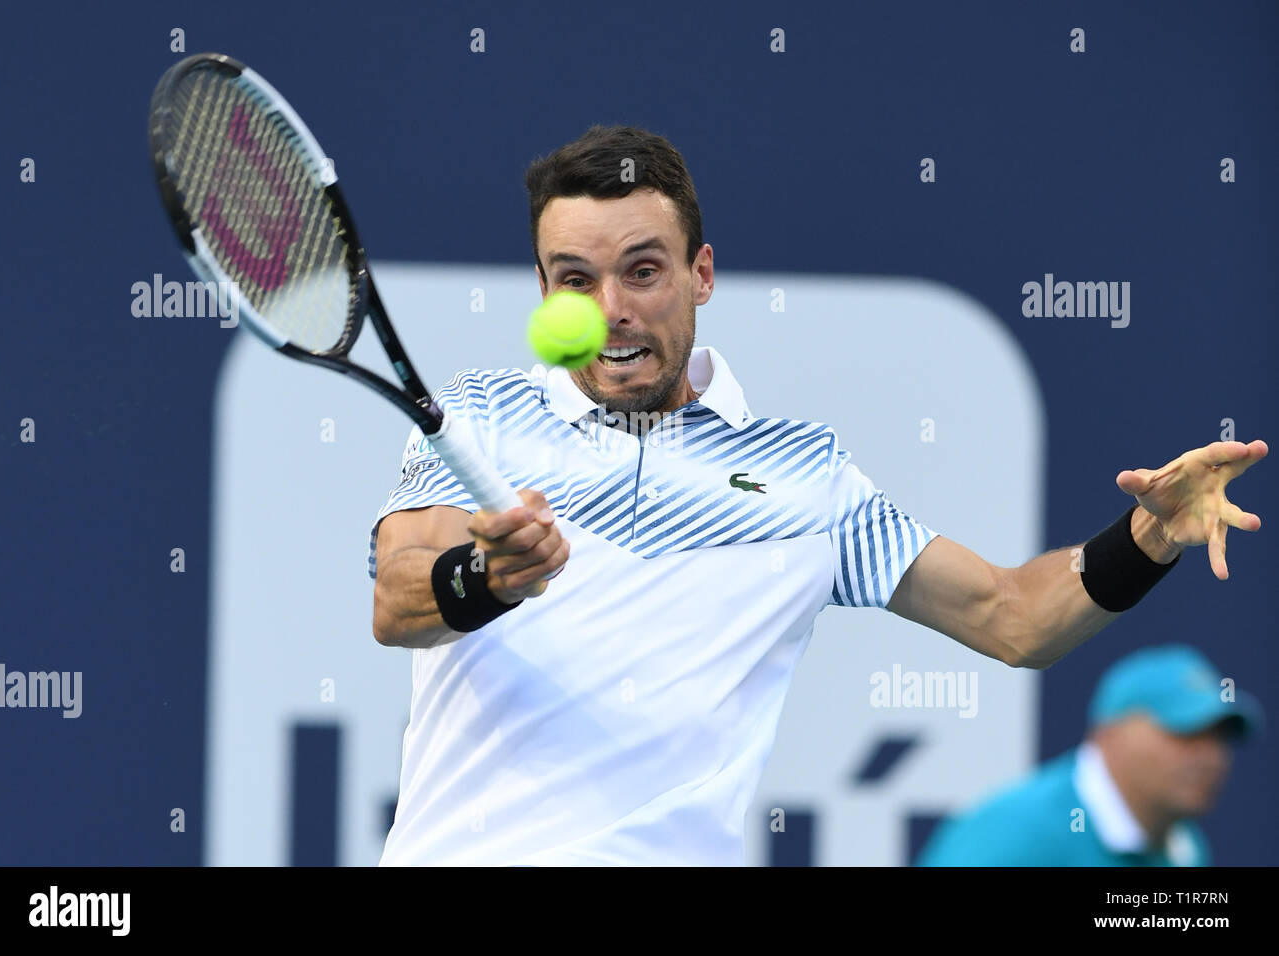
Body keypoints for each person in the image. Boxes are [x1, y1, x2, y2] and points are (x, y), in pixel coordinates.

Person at [367, 124, 1267, 866]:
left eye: (642, 270)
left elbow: (1016, 617)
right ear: (544, 289)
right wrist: (484, 577)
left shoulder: (807, 476)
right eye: (575, 280)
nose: (610, 310)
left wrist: (1147, 537)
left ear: (702, 274)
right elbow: (398, 596)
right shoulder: (479, 414)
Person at [916, 645, 1262, 866]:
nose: (1210, 756)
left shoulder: (1185, 848)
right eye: (1183, 731)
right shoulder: (1014, 834)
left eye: (1219, 737)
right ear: (1108, 735)